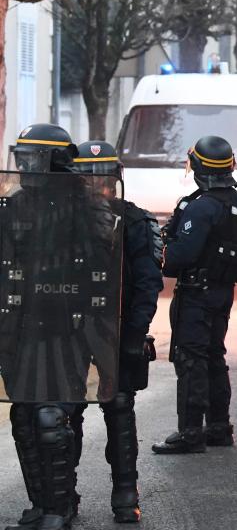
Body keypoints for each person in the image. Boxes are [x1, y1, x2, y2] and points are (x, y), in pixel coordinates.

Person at [2, 124, 122, 530]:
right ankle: (41, 502)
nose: (23, 166)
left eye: (31, 157)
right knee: (23, 416)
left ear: (53, 160)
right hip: (22, 325)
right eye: (21, 157)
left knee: (52, 418)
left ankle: (61, 506)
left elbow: (104, 269)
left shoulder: (85, 206)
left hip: (66, 326)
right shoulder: (15, 205)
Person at [70, 141, 163, 523]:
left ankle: (125, 491)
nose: (96, 184)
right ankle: (63, 494)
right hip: (70, 328)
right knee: (65, 410)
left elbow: (146, 284)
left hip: (117, 327)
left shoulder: (136, 221)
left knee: (119, 408)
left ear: (116, 178)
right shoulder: (61, 221)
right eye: (88, 177)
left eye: (103, 176)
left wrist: (134, 335)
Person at [152, 136, 237, 454]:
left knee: (191, 358)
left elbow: (180, 257)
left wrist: (160, 250)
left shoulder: (201, 207)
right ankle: (219, 427)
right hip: (222, 291)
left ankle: (191, 432)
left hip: (197, 293)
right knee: (213, 355)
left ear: (198, 168)